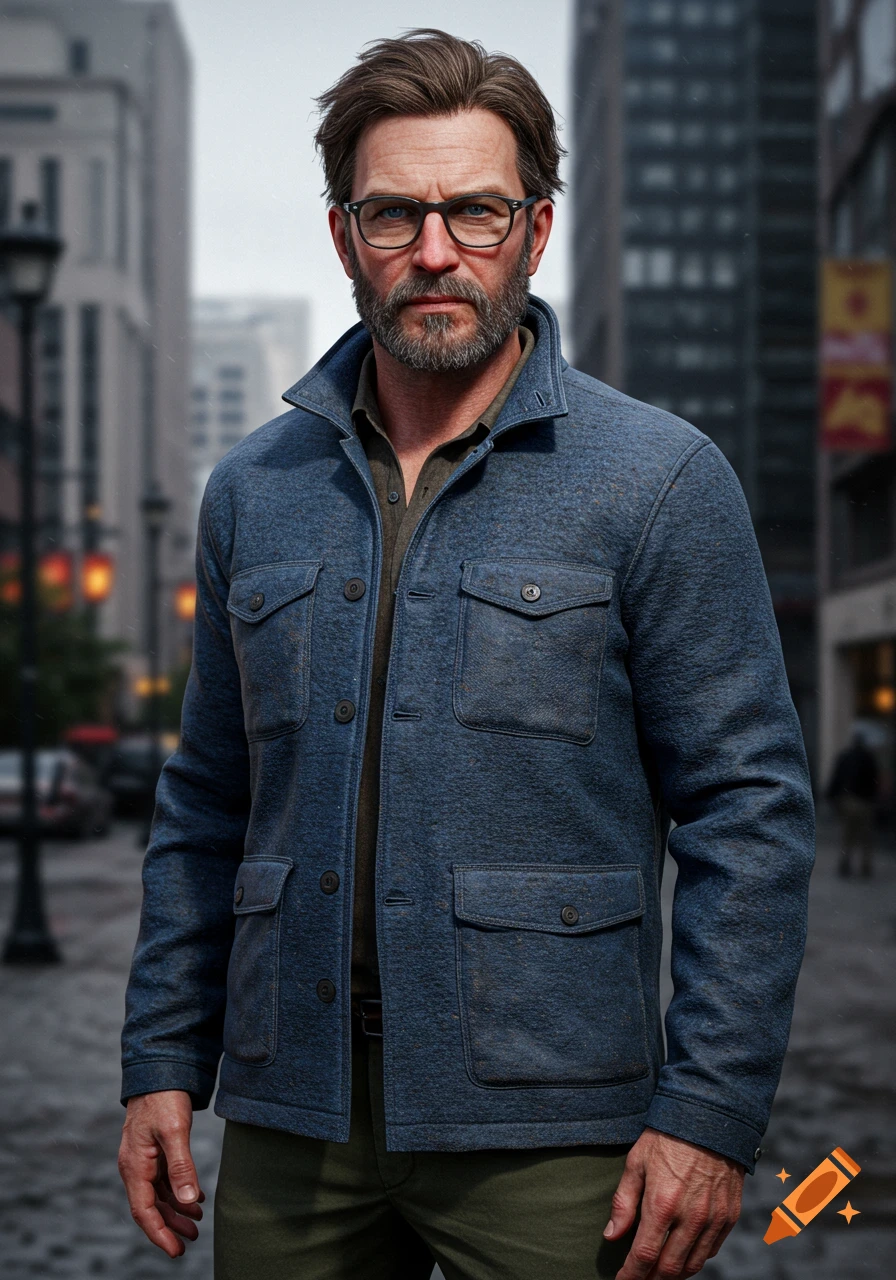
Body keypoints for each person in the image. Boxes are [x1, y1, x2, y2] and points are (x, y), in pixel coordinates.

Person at [118, 30, 815, 1280]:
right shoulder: (250, 491)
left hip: (555, 1132)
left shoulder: (658, 479)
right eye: (394, 215)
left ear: (534, 229)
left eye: (474, 212)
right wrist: (163, 1056)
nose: (434, 252)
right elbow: (208, 796)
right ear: (345, 238)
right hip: (293, 1111)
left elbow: (746, 810)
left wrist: (708, 1112)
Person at [826, 729, 878, 877]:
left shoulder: (845, 757)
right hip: (865, 801)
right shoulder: (869, 757)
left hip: (849, 800)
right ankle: (865, 865)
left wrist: (832, 797)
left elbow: (836, 777)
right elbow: (874, 780)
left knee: (847, 834)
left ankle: (845, 862)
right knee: (866, 836)